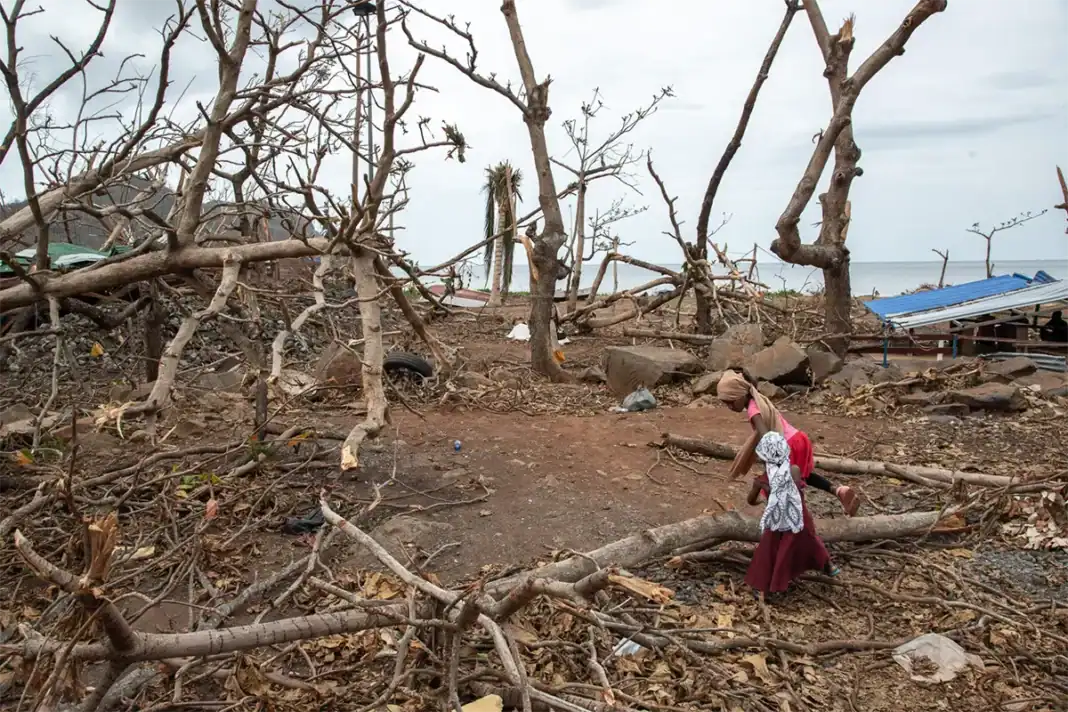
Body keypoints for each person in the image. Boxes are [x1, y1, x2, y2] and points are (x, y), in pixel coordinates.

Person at [716, 370, 859, 516]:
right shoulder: (759, 400)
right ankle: (839, 491)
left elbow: (767, 438)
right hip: (797, 439)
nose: (730, 407)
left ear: (741, 394)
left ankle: (792, 519)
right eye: (726, 404)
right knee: (803, 476)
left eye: (731, 401)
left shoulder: (753, 411)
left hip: (787, 445)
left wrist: (772, 464)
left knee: (782, 487)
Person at [745, 432, 837, 597]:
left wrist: (761, 499)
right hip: (799, 517)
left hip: (776, 521)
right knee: (811, 540)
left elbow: (751, 500)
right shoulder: (794, 470)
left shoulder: (761, 480)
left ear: (763, 458)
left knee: (769, 551)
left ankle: (765, 586)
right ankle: (827, 565)